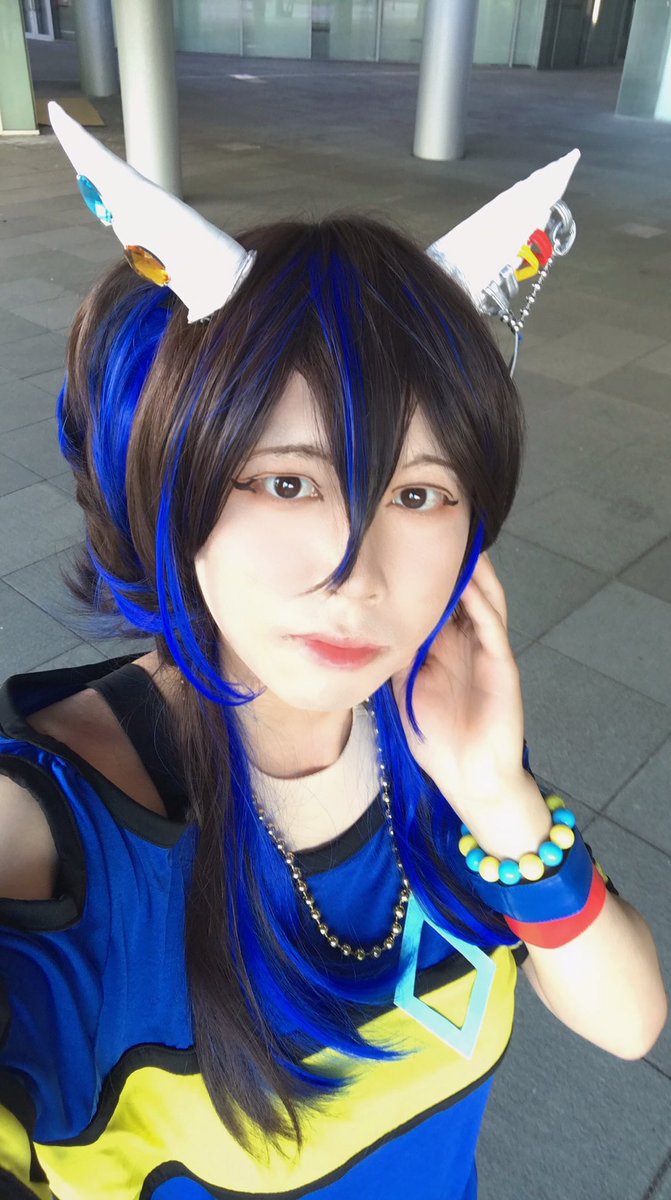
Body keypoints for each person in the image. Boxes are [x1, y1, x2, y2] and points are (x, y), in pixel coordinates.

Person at [0, 108, 666, 1200]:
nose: (357, 575)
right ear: (178, 489)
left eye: (418, 493)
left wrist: (501, 803)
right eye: (288, 481)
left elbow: (629, 1021)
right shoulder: (47, 838)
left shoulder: (441, 742)